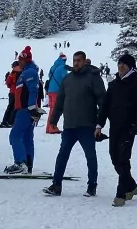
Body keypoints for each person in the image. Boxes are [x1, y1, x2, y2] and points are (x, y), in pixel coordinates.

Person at [44, 51, 106, 198]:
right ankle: (56, 185)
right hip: (70, 125)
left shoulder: (94, 78)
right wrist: (53, 120)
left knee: (90, 157)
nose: (76, 63)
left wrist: (99, 124)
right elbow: (59, 102)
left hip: (87, 125)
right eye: (74, 60)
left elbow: (103, 101)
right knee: (62, 156)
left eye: (79, 60)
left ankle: (92, 186)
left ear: (85, 61)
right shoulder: (67, 79)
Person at [96, 53, 137, 206]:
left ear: (130, 67)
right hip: (114, 127)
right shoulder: (113, 84)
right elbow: (104, 106)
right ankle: (131, 185)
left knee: (123, 158)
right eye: (119, 64)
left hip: (129, 127)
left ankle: (121, 194)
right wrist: (99, 125)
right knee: (114, 157)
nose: (120, 66)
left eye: (123, 64)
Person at [5, 46, 41, 174]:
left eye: (20, 59)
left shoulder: (29, 73)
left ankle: (20, 162)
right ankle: (28, 164)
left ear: (25, 60)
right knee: (26, 137)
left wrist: (32, 108)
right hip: (26, 109)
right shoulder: (26, 72)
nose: (18, 62)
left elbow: (33, 90)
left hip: (25, 110)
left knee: (15, 135)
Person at [46, 52, 69, 134]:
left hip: (50, 90)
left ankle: (48, 127)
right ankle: (52, 127)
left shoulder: (53, 67)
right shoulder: (63, 67)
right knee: (55, 109)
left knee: (52, 109)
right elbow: (65, 79)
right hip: (57, 91)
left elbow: (49, 76)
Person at [1, 60, 21, 128]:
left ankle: (5, 121)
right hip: (20, 92)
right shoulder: (22, 71)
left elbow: (8, 81)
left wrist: (10, 86)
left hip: (12, 92)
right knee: (16, 107)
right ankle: (12, 121)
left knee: (10, 107)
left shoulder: (13, 72)